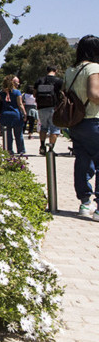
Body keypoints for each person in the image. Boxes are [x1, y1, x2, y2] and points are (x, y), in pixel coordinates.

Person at [63, 36, 99, 218]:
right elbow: (94, 94)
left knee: (82, 162)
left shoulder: (70, 70)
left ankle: (85, 203)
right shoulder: (94, 68)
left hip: (76, 122)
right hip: (94, 120)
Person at [34, 65, 64, 155]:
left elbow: (34, 94)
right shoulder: (59, 81)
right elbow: (63, 93)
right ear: (56, 70)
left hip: (41, 107)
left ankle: (42, 146)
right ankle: (50, 150)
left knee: (43, 127)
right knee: (54, 129)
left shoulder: (39, 80)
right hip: (54, 108)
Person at [0, 75, 27, 155]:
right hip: (15, 114)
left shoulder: (1, 93)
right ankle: (21, 150)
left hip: (5, 114)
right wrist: (24, 113)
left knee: (8, 134)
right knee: (18, 134)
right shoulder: (17, 92)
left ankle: (9, 150)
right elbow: (20, 104)